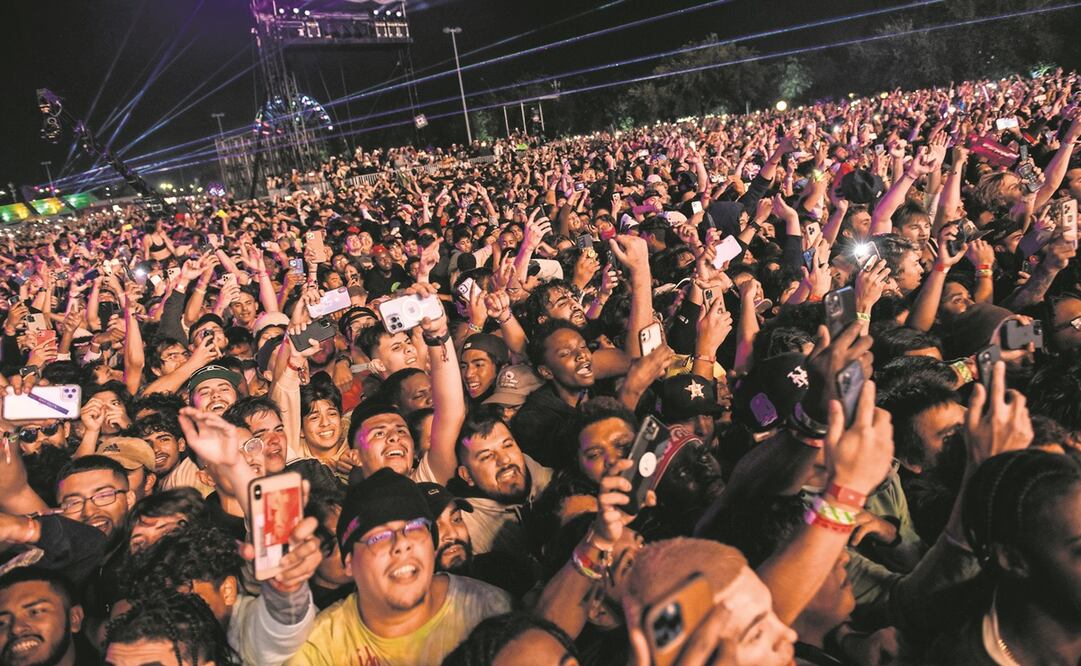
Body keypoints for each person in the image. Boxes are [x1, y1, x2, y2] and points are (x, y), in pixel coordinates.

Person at [286, 468, 510, 665]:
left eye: (414, 527)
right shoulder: (320, 647)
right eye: (378, 537)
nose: (402, 543)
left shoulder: (490, 610)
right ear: (350, 563)